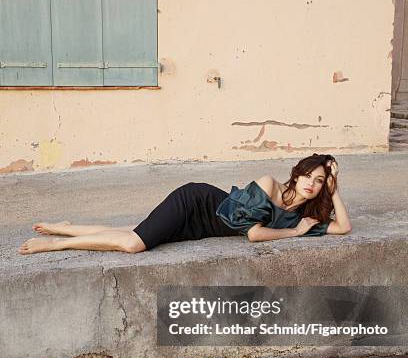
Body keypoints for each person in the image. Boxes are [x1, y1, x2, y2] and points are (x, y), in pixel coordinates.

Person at [18, 153, 351, 255]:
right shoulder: (269, 185)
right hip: (197, 202)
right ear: (297, 173)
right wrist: (294, 235)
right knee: (134, 244)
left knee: (135, 231)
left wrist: (334, 188)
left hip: (203, 229)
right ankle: (54, 245)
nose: (312, 183)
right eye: (309, 175)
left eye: (319, 181)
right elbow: (253, 235)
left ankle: (66, 228)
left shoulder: (304, 215)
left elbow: (344, 227)